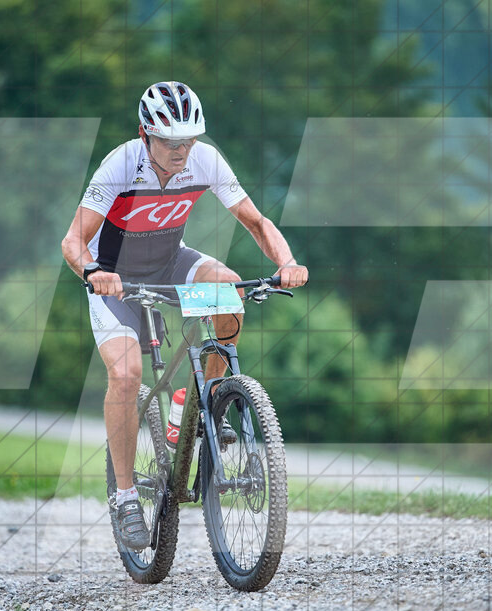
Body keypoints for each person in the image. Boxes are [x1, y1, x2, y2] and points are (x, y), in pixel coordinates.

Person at [61, 81, 308, 551]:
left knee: (229, 293)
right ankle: (126, 497)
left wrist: (286, 263)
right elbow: (72, 240)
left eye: (189, 140)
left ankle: (200, 403)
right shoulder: (120, 165)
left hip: (169, 266)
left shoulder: (206, 160)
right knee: (128, 376)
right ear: (144, 134)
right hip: (116, 281)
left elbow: (255, 222)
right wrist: (93, 271)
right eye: (171, 142)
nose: (181, 151)